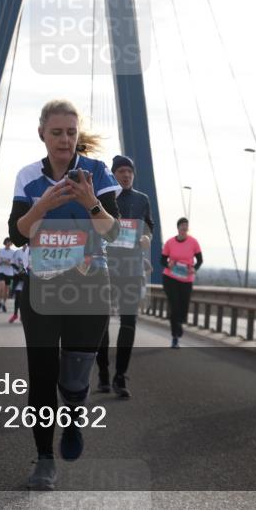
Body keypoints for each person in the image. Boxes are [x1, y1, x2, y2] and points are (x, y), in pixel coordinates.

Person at [8, 99, 120, 490]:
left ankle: (72, 417)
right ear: (42, 134)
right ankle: (43, 459)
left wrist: (90, 202)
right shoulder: (27, 176)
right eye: (56, 132)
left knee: (74, 375)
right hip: (42, 284)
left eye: (71, 132)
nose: (65, 139)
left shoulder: (97, 172)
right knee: (41, 375)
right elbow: (18, 232)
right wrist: (42, 204)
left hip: (88, 284)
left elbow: (112, 232)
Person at [96, 155, 154, 398]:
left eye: (129, 171)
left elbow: (149, 226)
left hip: (131, 269)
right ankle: (103, 374)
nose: (126, 175)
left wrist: (146, 238)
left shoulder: (142, 200)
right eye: (121, 171)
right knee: (101, 322)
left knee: (129, 322)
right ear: (113, 174)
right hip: (105, 268)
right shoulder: (102, 198)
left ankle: (121, 376)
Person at [161, 217, 203, 349]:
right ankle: (175, 337)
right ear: (178, 228)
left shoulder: (193, 242)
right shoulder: (169, 242)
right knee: (174, 306)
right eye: (182, 227)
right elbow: (162, 260)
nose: (184, 230)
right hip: (170, 278)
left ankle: (179, 324)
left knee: (183, 307)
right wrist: (169, 265)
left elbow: (200, 260)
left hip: (186, 280)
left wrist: (194, 269)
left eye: (186, 228)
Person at [0, 238, 18, 312]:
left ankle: (3, 304)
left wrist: (9, 262)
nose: (8, 243)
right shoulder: (0, 251)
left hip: (9, 272)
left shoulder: (13, 252)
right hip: (1, 271)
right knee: (1, 286)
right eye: (7, 242)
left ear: (11, 244)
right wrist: (1, 261)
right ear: (5, 243)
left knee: (6, 290)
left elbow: (14, 263)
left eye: (10, 242)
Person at [8, 243, 30, 324]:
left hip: (27, 277)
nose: (25, 246)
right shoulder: (17, 252)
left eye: (26, 245)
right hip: (18, 277)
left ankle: (23, 315)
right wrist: (18, 269)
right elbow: (12, 262)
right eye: (24, 244)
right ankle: (15, 314)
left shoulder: (31, 251)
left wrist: (24, 270)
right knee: (18, 297)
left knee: (25, 299)